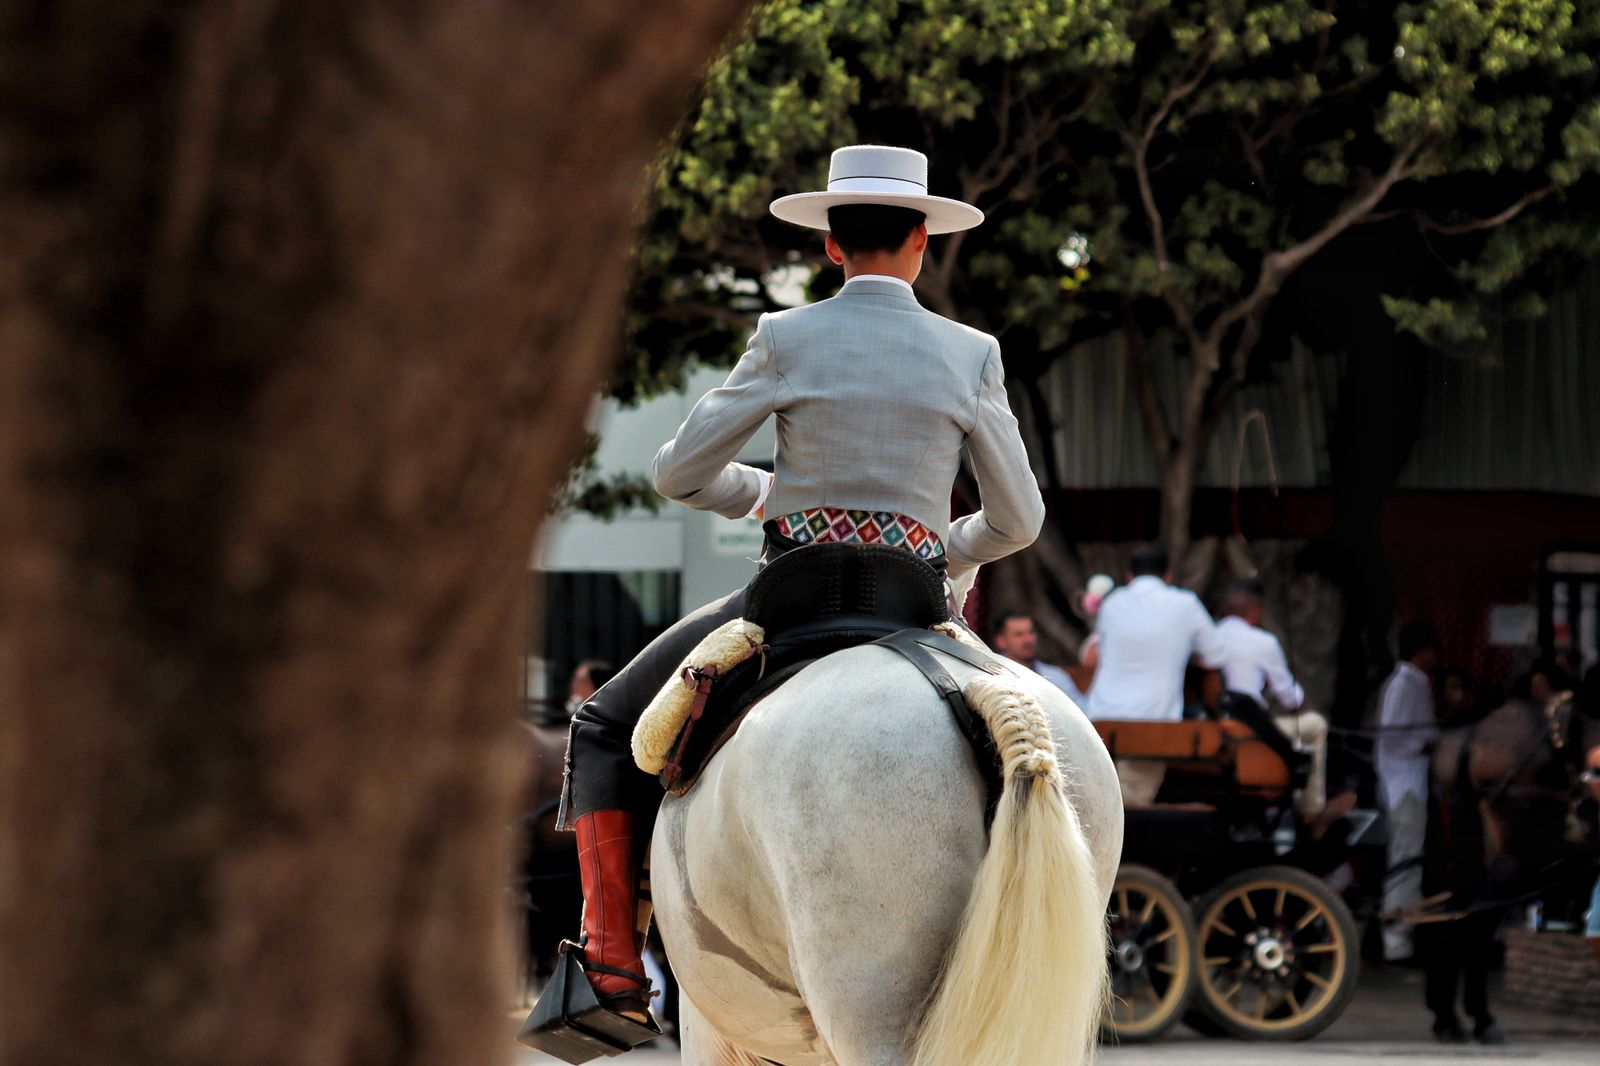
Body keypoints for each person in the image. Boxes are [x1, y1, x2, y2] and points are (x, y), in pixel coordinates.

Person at [557, 145, 1045, 1023]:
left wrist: (767, 493)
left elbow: (680, 475)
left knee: (600, 727)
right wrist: (946, 549)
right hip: (915, 604)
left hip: (789, 603)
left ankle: (613, 969)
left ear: (830, 245)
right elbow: (1018, 523)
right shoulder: (972, 352)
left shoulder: (785, 338)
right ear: (923, 241)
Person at [1087, 544, 1226, 805]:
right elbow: (1215, 657)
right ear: (1168, 576)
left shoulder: (1112, 603)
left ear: (1129, 576)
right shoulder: (1185, 603)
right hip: (1151, 723)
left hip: (1099, 718)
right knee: (1127, 807)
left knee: (1099, 798)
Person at [1214, 580, 1341, 822]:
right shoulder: (1263, 642)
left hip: (1215, 728)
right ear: (1255, 611)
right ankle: (1311, 808)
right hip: (1251, 732)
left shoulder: (1209, 638)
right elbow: (1290, 698)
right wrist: (1299, 705)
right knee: (1314, 724)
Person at [1376, 621, 1440, 963]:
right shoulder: (1403, 685)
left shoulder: (1417, 684)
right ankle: (1396, 939)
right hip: (1403, 785)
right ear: (1422, 651)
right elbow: (1391, 737)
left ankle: (1404, 933)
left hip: (1413, 781)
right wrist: (1427, 745)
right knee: (1405, 859)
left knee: (1411, 858)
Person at [991, 611, 1087, 706]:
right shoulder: (991, 676)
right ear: (1001, 641)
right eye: (1019, 634)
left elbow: (1082, 713)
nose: (1028, 640)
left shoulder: (1056, 677)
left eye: (1031, 632)